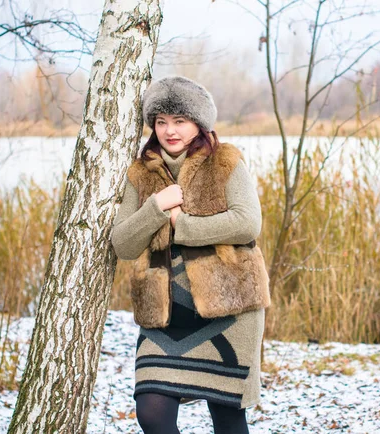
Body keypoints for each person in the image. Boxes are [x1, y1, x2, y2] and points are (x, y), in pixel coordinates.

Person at [111, 76, 271, 434]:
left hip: (229, 311)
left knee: (228, 419)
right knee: (152, 413)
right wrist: (155, 207)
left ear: (198, 122)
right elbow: (123, 244)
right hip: (165, 317)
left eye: (180, 120)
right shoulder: (139, 173)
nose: (170, 130)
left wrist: (182, 226)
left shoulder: (225, 161)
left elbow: (248, 223)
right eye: (162, 121)